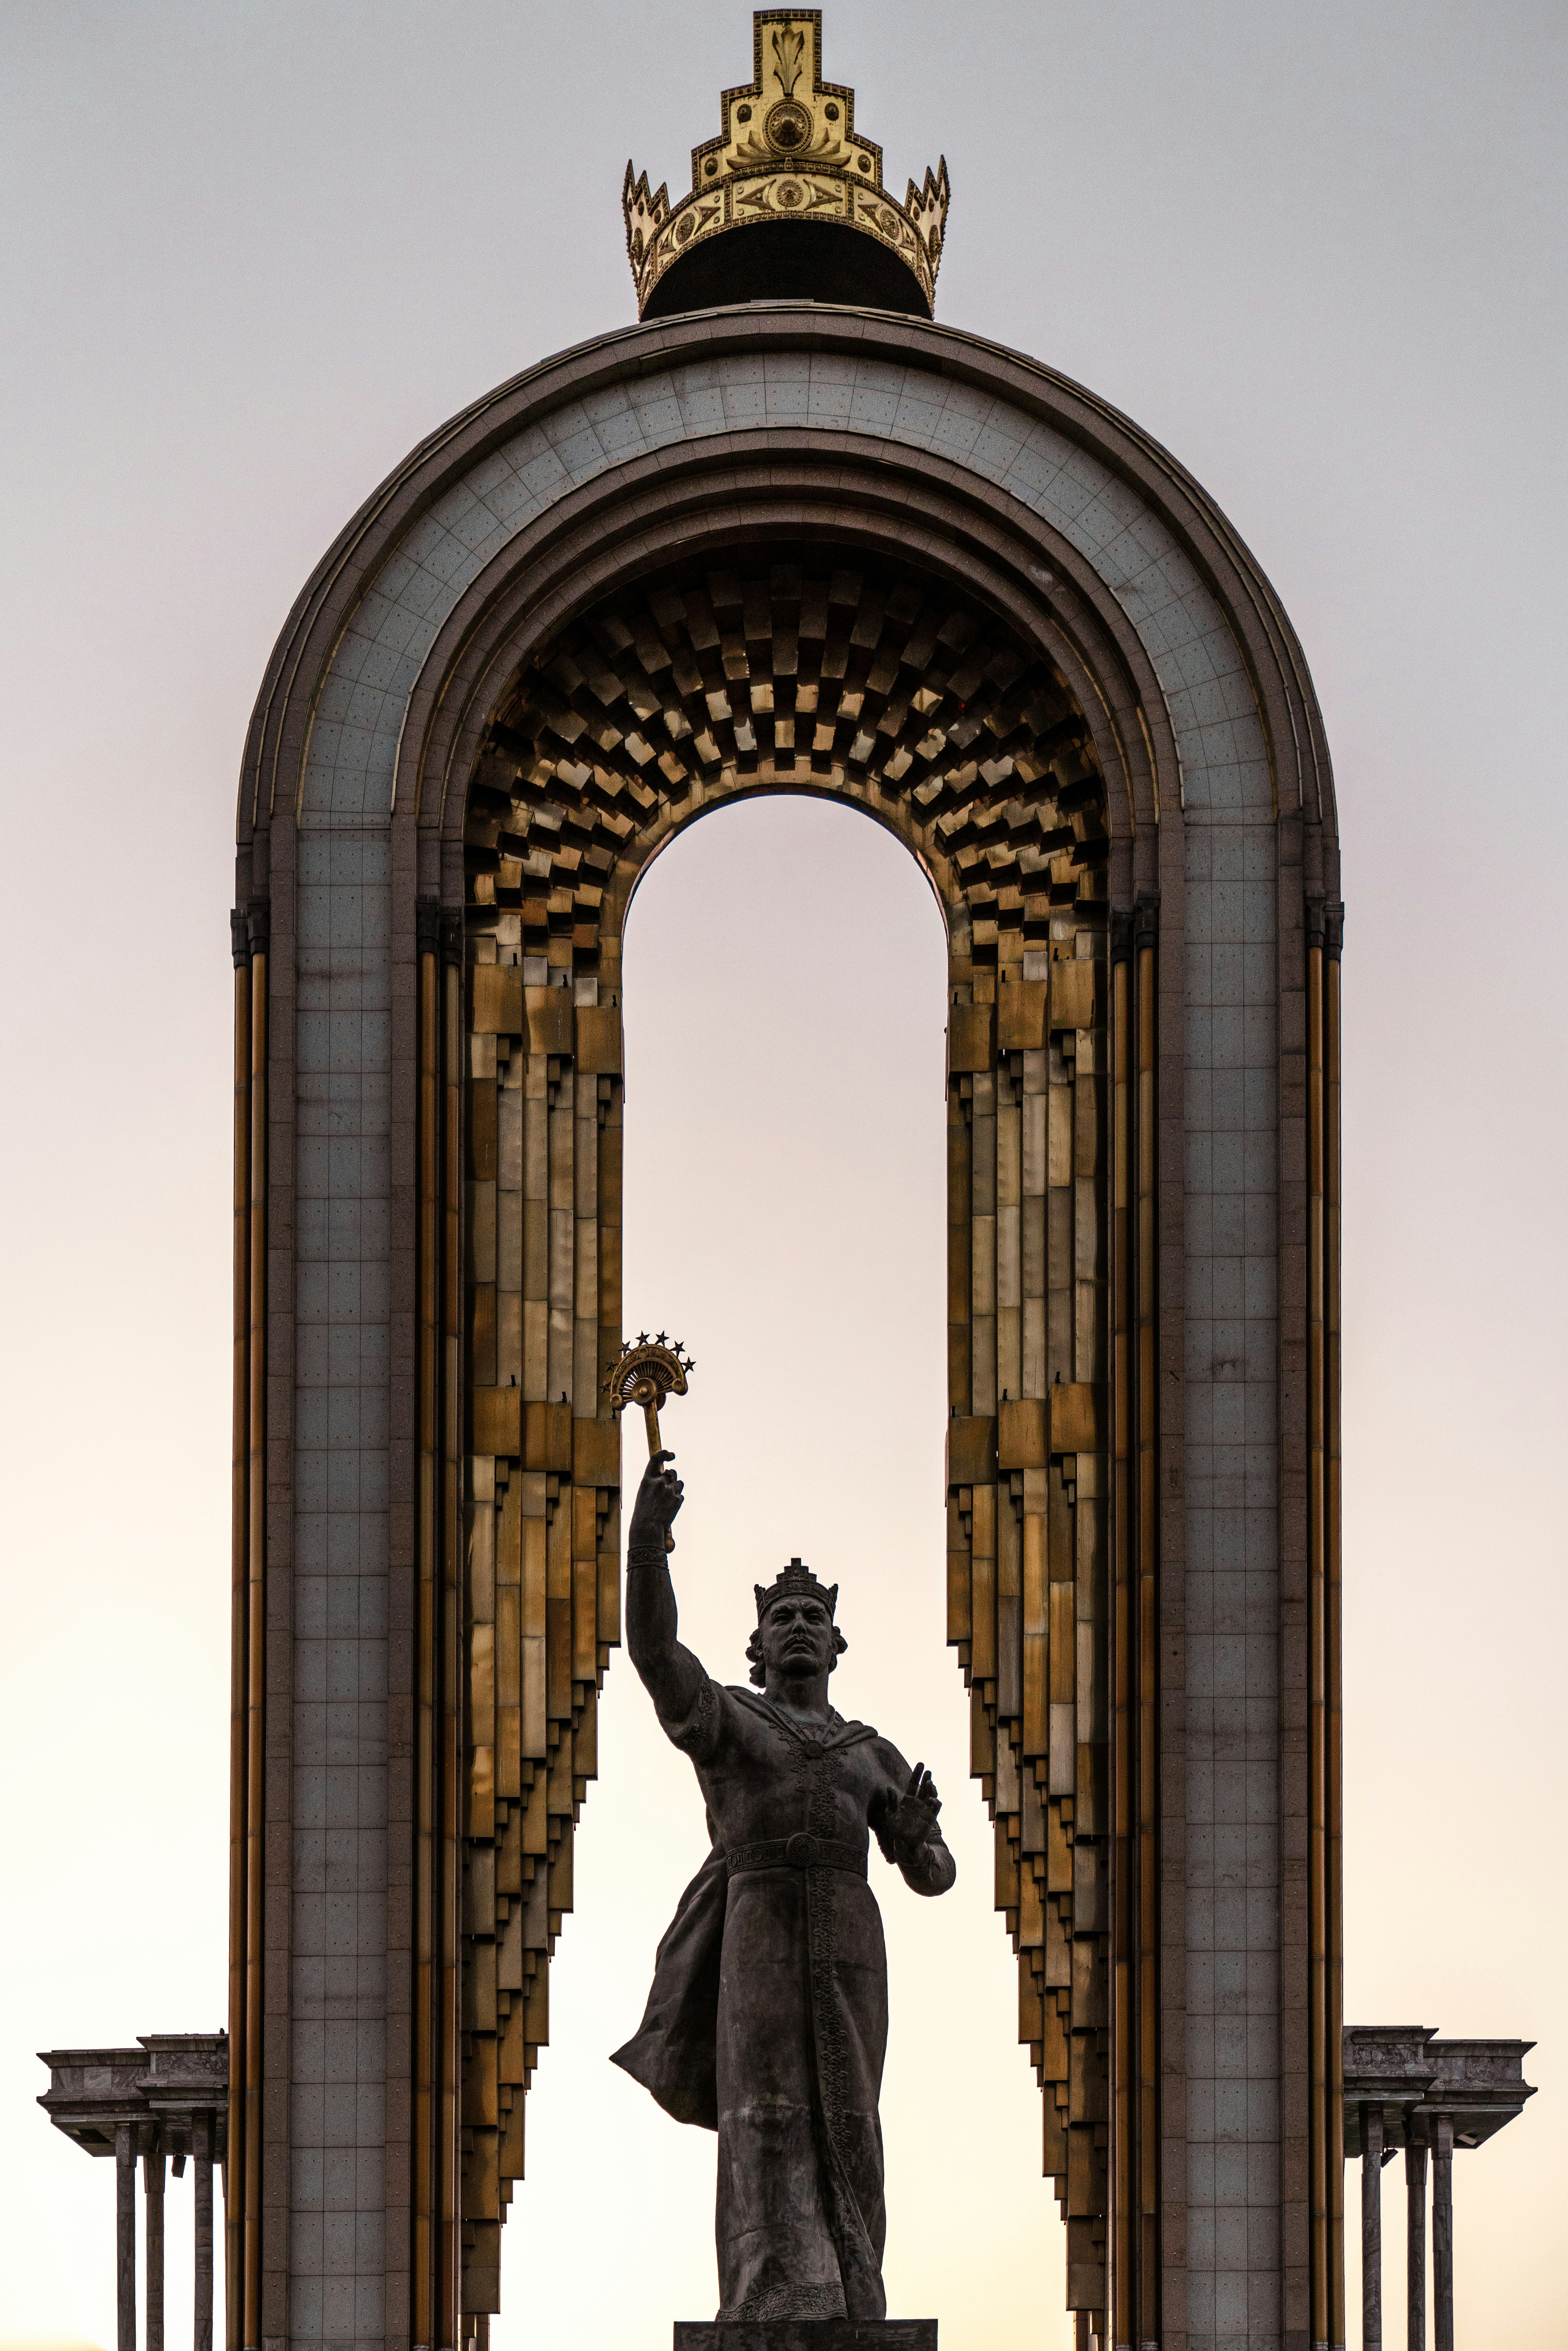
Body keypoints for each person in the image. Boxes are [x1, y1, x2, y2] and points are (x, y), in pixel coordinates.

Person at [611, 1449, 956, 2323]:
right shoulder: (731, 1717)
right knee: (762, 2118)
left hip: (849, 1938)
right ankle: (771, 2302)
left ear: (835, 1644)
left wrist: (917, 1841)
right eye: (781, 1618)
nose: (797, 1625)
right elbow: (653, 1653)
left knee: (851, 2122)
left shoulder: (869, 1752)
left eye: (812, 1616)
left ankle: (853, 2298)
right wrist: (648, 1543)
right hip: (756, 1928)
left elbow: (935, 1874)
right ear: (757, 1646)